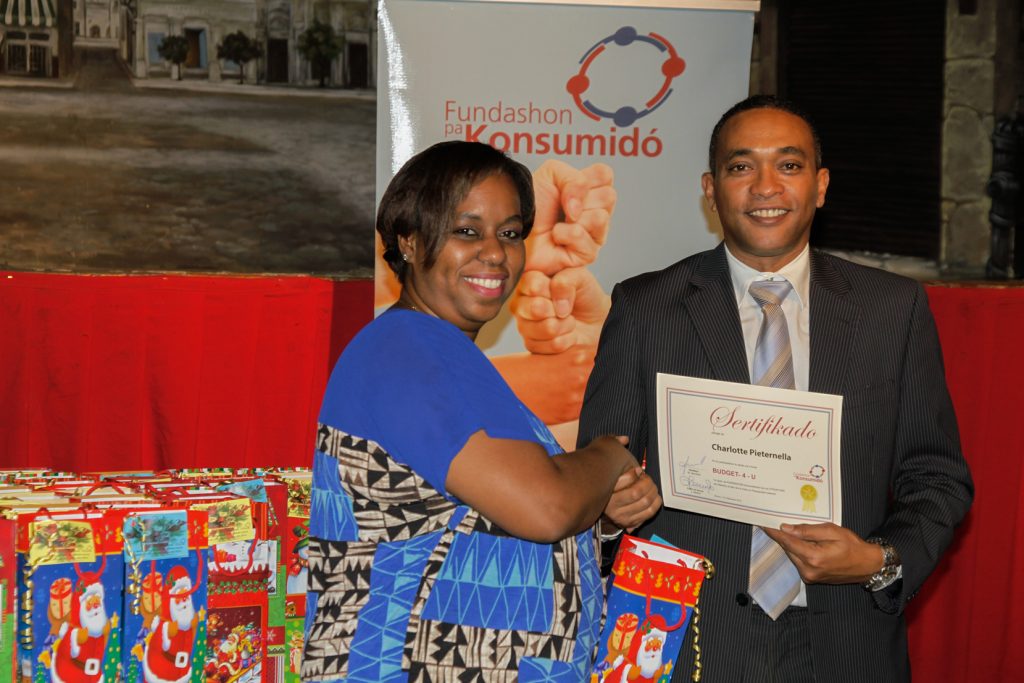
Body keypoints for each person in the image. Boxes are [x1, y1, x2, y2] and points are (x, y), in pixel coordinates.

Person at [577, 95, 974, 682]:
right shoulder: (647, 307)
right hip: (690, 644)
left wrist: (876, 560)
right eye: (741, 167)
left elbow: (937, 478)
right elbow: (595, 470)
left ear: (820, 185)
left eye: (788, 165)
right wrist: (609, 513)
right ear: (711, 190)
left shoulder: (892, 310)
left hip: (846, 645)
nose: (766, 186)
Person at [302, 140, 661, 682]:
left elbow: (489, 516)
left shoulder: (438, 353)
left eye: (510, 233)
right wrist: (608, 456)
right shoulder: (409, 351)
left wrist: (601, 515)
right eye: (467, 231)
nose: (495, 253)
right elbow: (546, 507)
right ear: (409, 241)